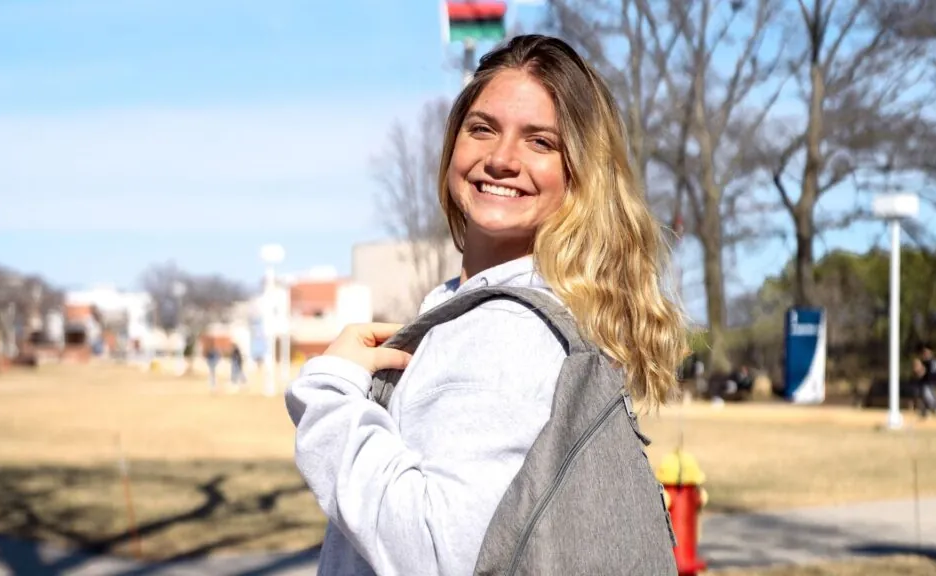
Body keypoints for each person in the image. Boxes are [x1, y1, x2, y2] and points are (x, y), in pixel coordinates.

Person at [285, 34, 687, 576]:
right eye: (483, 128)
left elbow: (431, 552)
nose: (501, 159)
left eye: (540, 142)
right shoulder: (510, 310)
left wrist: (329, 395)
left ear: (580, 175)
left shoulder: (504, 328)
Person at [914, 343, 936, 418]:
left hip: (932, 383)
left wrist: (922, 371)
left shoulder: (933, 362)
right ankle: (924, 411)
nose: (925, 354)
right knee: (923, 394)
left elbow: (933, 374)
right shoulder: (925, 362)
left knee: (930, 398)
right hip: (926, 383)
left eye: (926, 353)